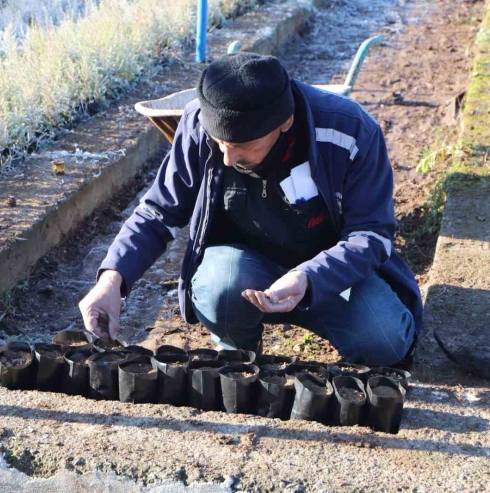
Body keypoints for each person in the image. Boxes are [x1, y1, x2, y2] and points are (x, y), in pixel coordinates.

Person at [78, 53, 422, 367]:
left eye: (243, 146)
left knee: (384, 341)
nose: (228, 158)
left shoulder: (350, 131)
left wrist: (309, 277)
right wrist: (112, 280)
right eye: (221, 144)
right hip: (242, 269)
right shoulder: (199, 125)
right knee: (215, 286)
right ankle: (238, 353)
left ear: (284, 123)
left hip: (330, 275)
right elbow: (159, 212)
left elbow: (370, 236)